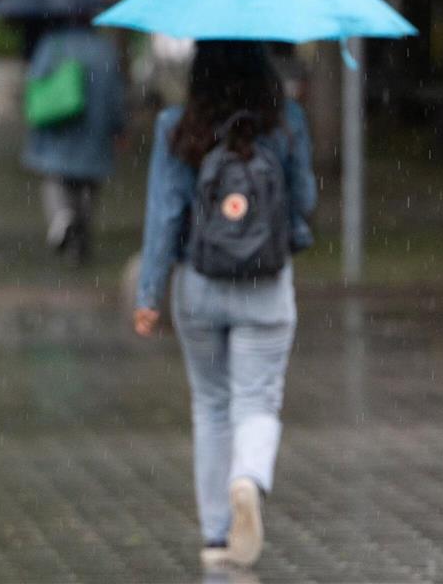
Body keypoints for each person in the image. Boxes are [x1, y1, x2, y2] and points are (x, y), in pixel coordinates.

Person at [133, 41, 316, 569]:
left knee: (211, 406)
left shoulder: (178, 123)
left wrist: (150, 293)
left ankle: (216, 537)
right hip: (267, 282)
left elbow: (164, 214)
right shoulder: (286, 122)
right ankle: (248, 477)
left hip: (200, 282)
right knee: (257, 400)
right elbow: (304, 199)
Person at [21, 21, 125, 265]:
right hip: (95, 130)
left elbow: (35, 83)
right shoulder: (105, 49)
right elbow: (116, 94)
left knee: (56, 179)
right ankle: (81, 237)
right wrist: (119, 127)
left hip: (59, 127)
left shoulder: (52, 44)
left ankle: (62, 217)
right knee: (88, 187)